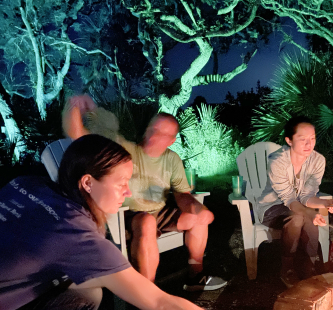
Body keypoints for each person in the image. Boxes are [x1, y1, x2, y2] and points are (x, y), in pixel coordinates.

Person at [0, 134, 267, 310]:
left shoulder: (26, 184)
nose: (128, 192)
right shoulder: (72, 232)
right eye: (121, 184)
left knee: (89, 294)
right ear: (87, 182)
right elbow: (160, 302)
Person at [62, 95, 226, 291]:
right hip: (126, 215)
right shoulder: (125, 150)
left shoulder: (172, 159)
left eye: (161, 133)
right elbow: (79, 137)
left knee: (197, 219)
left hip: (159, 213)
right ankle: (147, 295)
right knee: (147, 222)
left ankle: (195, 275)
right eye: (153, 129)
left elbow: (182, 193)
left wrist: (196, 208)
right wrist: (73, 106)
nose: (153, 136)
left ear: (171, 141)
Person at [257, 116, 333, 287]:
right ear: (289, 140)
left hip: (298, 207)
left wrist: (326, 204)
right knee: (298, 217)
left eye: (312, 139)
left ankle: (308, 266)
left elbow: (306, 195)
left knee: (306, 217)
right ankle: (287, 268)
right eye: (302, 140)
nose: (309, 144)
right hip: (271, 208)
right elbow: (289, 199)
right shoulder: (277, 161)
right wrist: (309, 212)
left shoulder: (317, 161)